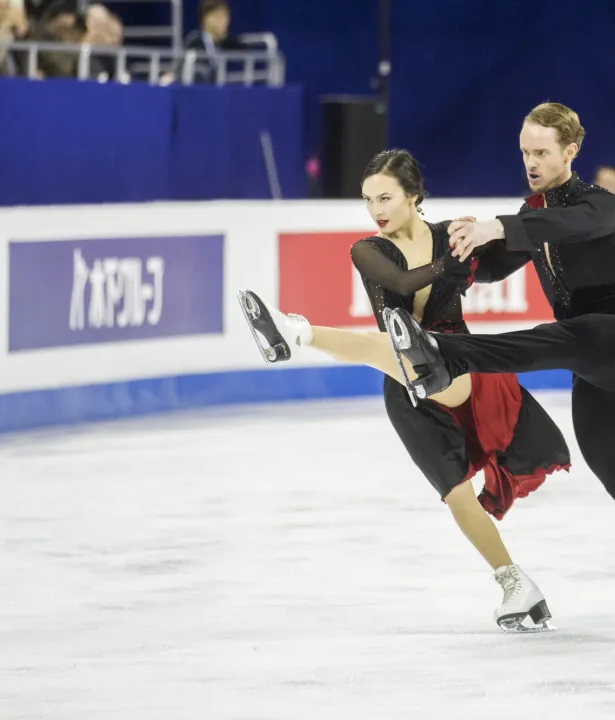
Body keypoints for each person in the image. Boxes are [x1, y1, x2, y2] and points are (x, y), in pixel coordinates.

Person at [383, 102, 615, 633]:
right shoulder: (532, 212)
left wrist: (500, 225)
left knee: (559, 337)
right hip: (592, 364)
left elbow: (562, 224)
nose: (532, 161)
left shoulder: (597, 204)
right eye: (525, 152)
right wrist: (454, 243)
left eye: (542, 152)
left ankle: (442, 356)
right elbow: (490, 266)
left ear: (571, 150)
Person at [237, 149, 571, 633]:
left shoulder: (450, 236)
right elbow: (399, 281)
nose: (376, 209)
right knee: (457, 495)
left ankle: (300, 334)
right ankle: (516, 585)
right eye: (368, 199)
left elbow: (505, 259)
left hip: (461, 364)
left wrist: (524, 223)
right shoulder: (368, 250)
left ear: (413, 195)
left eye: (386, 198)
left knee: (385, 344)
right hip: (407, 388)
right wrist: (449, 267)